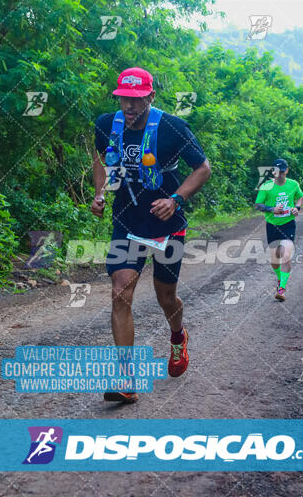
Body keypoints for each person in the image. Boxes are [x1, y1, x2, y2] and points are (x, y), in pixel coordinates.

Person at [92, 67, 211, 403]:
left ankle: (177, 336)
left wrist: (176, 200)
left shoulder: (173, 127)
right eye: (124, 99)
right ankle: (127, 378)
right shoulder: (105, 124)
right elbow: (100, 161)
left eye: (137, 100)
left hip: (165, 225)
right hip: (126, 222)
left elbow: (203, 168)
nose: (129, 106)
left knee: (166, 298)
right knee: (120, 292)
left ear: (150, 97)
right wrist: (99, 194)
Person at [255, 158, 303, 302]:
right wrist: (271, 209)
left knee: (286, 254)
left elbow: (300, 198)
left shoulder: (293, 184)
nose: (280, 174)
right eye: (277, 172)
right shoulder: (267, 186)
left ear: (287, 170)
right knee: (275, 259)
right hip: (272, 225)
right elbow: (258, 205)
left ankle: (281, 289)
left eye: (283, 171)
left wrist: (297, 207)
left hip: (288, 223)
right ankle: (280, 278)